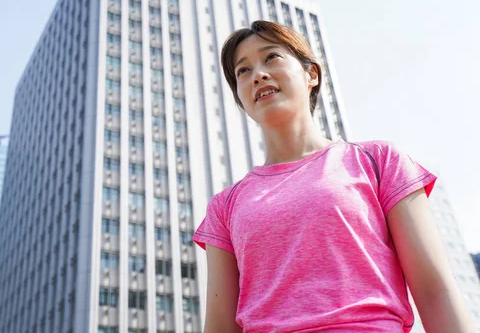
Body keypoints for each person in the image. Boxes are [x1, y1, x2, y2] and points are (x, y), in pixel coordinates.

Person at [192, 20, 476, 332]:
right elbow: (220, 325)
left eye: (271, 57)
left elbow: (436, 292)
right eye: (242, 71)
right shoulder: (224, 206)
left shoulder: (379, 161)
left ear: (311, 74)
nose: (257, 74)